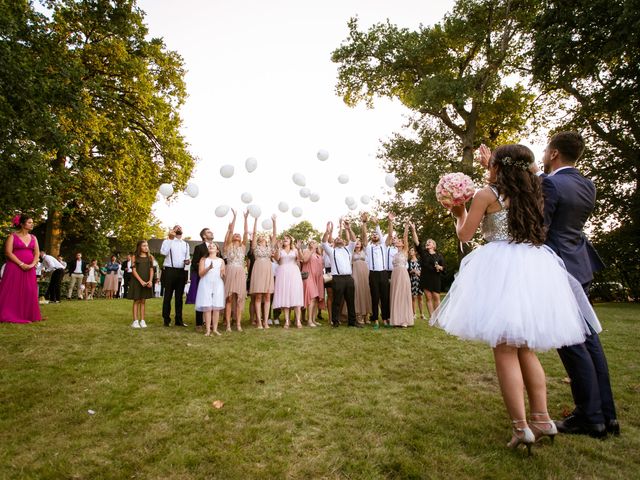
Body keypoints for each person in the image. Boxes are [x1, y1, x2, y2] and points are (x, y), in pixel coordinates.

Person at [432, 144, 602, 454]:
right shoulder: (537, 189)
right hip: (533, 264)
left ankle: (521, 427)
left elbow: (465, 236)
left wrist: (459, 212)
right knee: (526, 349)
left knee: (505, 349)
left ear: (498, 166)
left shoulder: (487, 195)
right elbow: (525, 170)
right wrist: (493, 162)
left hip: (500, 267)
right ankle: (543, 419)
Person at [530, 132, 618, 437]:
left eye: (544, 150)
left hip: (559, 269)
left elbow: (540, 227)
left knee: (571, 342)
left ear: (554, 153)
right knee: (589, 339)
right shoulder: (586, 184)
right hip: (580, 265)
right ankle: (607, 414)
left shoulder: (551, 183)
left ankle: (589, 417)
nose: (542, 154)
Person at [0, 214, 42, 323]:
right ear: (22, 224)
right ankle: (10, 314)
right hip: (14, 267)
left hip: (29, 268)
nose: (32, 224)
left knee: (29, 290)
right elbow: (8, 252)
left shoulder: (34, 238)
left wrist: (32, 264)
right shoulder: (12, 236)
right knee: (12, 291)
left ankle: (28, 315)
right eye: (29, 222)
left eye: (32, 222)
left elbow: (37, 253)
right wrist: (21, 264)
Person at [322, 220, 360, 328]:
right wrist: (327, 232)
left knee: (350, 301)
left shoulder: (348, 249)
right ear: (334, 242)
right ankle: (335, 321)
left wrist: (348, 228)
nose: (339, 239)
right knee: (336, 301)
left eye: (340, 238)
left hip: (348, 278)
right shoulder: (331, 251)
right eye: (336, 239)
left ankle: (352, 322)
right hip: (337, 278)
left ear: (343, 241)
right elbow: (324, 242)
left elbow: (353, 239)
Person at [360, 212, 393, 329]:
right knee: (375, 297)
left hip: (383, 273)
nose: (374, 235)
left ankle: (385, 319)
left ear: (379, 236)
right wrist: (364, 223)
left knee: (385, 297)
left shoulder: (384, 246)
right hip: (373, 274)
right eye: (372, 234)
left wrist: (389, 221)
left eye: (376, 234)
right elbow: (364, 237)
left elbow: (389, 234)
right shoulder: (368, 247)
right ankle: (375, 320)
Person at [410, 224, 445, 317]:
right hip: (425, 278)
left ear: (434, 245)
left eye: (429, 242)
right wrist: (413, 230)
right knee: (428, 298)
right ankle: (432, 318)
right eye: (427, 242)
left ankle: (438, 316)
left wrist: (440, 268)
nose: (427, 243)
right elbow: (417, 242)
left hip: (435, 278)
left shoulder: (439, 255)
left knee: (436, 297)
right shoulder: (423, 254)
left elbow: (444, 267)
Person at [160, 224, 191, 327]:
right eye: (176, 228)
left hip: (181, 272)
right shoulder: (167, 241)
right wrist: (170, 239)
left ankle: (179, 320)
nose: (179, 229)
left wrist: (187, 262)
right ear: (173, 230)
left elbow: (186, 258)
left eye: (180, 228)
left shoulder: (185, 244)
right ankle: (166, 320)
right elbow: (163, 252)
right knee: (167, 296)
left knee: (179, 297)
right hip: (169, 271)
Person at [223, 210, 249, 332]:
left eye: (238, 235)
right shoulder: (228, 246)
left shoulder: (243, 246)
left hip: (240, 272)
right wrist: (234, 217)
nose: (237, 235)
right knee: (228, 298)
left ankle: (238, 324)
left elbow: (245, 232)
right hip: (229, 271)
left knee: (239, 298)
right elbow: (231, 231)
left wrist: (245, 218)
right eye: (235, 234)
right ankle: (228, 324)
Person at [249, 215, 276, 329]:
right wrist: (255, 220)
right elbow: (254, 234)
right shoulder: (255, 247)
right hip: (258, 269)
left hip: (268, 270)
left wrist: (274, 222)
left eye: (264, 237)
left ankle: (265, 321)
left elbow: (274, 235)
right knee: (258, 296)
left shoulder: (270, 247)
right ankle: (259, 322)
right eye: (261, 237)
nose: (262, 237)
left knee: (268, 297)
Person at [273, 232, 304, 328]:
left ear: (291, 240)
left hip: (294, 273)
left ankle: (298, 320)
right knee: (285, 295)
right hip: (282, 273)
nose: (285, 239)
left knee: (295, 294)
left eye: (287, 238)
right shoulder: (280, 250)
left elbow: (301, 259)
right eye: (284, 238)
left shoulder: (295, 250)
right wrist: (277, 248)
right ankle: (287, 321)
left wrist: (299, 249)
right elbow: (277, 259)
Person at [186, 227, 215, 331]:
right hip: (202, 277)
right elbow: (194, 264)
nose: (211, 232)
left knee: (212, 298)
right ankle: (199, 323)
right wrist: (205, 265)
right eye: (208, 232)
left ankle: (210, 322)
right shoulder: (199, 248)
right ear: (204, 236)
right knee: (201, 298)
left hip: (214, 278)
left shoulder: (216, 247)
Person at [196, 242, 225, 336]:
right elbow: (200, 274)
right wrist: (209, 268)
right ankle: (208, 329)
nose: (211, 247)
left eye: (213, 246)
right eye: (209, 246)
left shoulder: (221, 261)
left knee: (216, 307)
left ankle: (215, 329)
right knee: (207, 307)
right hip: (205, 283)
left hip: (217, 284)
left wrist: (223, 274)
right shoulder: (203, 259)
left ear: (217, 250)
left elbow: (222, 273)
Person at [389, 223, 414, 327]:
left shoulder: (404, 251)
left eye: (400, 241)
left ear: (403, 244)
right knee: (396, 295)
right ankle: (396, 320)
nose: (398, 242)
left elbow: (405, 237)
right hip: (395, 275)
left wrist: (407, 227)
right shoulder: (394, 254)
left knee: (403, 295)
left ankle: (404, 320)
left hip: (403, 274)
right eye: (397, 241)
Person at [128, 240, 155, 328]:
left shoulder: (150, 257)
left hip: (147, 281)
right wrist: (141, 281)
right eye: (144, 246)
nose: (146, 247)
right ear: (139, 247)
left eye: (147, 245)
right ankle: (135, 321)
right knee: (136, 300)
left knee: (143, 301)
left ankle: (142, 320)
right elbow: (134, 271)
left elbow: (151, 270)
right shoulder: (134, 257)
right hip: (137, 281)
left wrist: (150, 281)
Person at [300, 239, 324, 327]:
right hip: (309, 277)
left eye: (315, 242)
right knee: (312, 297)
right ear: (309, 244)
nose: (313, 243)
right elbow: (305, 260)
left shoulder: (319, 254)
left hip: (318, 279)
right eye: (311, 242)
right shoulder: (306, 251)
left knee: (316, 299)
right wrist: (311, 250)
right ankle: (309, 320)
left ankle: (313, 320)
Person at [351, 238, 371, 325]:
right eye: (356, 242)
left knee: (366, 291)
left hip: (364, 273)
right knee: (357, 291)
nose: (357, 243)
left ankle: (366, 314)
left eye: (359, 242)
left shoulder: (365, 251)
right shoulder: (351, 253)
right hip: (355, 272)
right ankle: (358, 315)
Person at [407, 245, 424, 319]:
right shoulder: (408, 261)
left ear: (415, 252)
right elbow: (407, 271)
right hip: (412, 280)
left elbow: (423, 271)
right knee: (413, 297)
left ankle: (422, 314)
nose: (411, 252)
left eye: (412, 250)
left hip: (420, 280)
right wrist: (413, 271)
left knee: (420, 297)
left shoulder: (420, 261)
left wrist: (419, 273)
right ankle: (414, 314)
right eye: (410, 251)